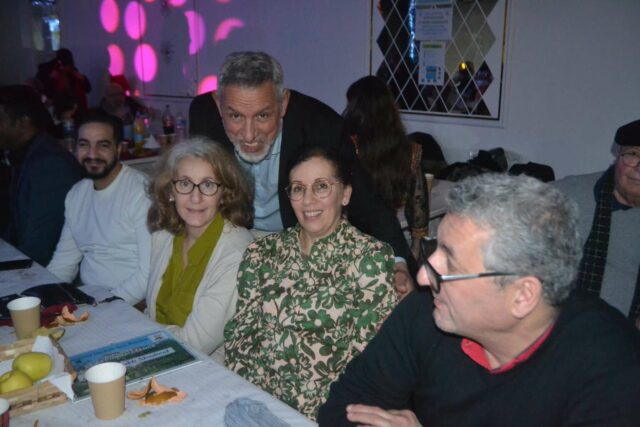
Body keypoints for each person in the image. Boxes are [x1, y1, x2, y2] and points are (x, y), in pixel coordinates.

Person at [319, 174, 640, 426]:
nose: (424, 277)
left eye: (451, 264)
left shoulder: (614, 371)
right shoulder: (428, 309)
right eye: (435, 250)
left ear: (522, 295)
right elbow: (343, 410)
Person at [189, 51, 414, 298]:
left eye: (263, 116)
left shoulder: (321, 126)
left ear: (283, 103)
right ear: (218, 105)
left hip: (294, 241)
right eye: (235, 116)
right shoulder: (203, 116)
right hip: (232, 232)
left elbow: (367, 201)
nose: (249, 134)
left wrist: (398, 263)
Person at [224, 147, 397, 420]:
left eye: (321, 186)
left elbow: (367, 362)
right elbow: (239, 337)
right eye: (298, 188)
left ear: (346, 194)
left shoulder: (369, 259)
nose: (308, 200)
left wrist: (305, 413)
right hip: (254, 401)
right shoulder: (262, 252)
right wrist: (256, 401)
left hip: (324, 414)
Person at [145, 138, 254, 361]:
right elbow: (151, 314)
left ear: (224, 194)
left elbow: (194, 344)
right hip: (160, 355)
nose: (196, 198)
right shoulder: (163, 236)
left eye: (208, 185)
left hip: (210, 370)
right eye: (185, 183)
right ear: (170, 191)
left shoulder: (238, 253)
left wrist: (143, 335)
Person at [47, 109, 151, 304]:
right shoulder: (76, 194)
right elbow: (64, 261)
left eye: (103, 145)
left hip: (135, 303)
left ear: (118, 149)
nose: (92, 154)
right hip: (90, 297)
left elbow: (149, 273)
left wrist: (104, 306)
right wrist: (44, 296)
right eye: (84, 144)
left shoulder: (141, 192)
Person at [555, 119, 640, 322]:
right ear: (618, 156)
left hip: (625, 336)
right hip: (556, 329)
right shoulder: (564, 196)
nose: (639, 168)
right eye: (633, 154)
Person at [343, 75, 428, 258]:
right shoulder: (408, 150)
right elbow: (417, 203)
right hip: (390, 238)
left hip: (351, 241)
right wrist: (416, 244)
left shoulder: (348, 145)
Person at [0, 85, 83, 265]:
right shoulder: (24, 155)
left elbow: (41, 246)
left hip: (51, 270)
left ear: (23, 123)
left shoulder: (50, 164)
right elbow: (14, 229)